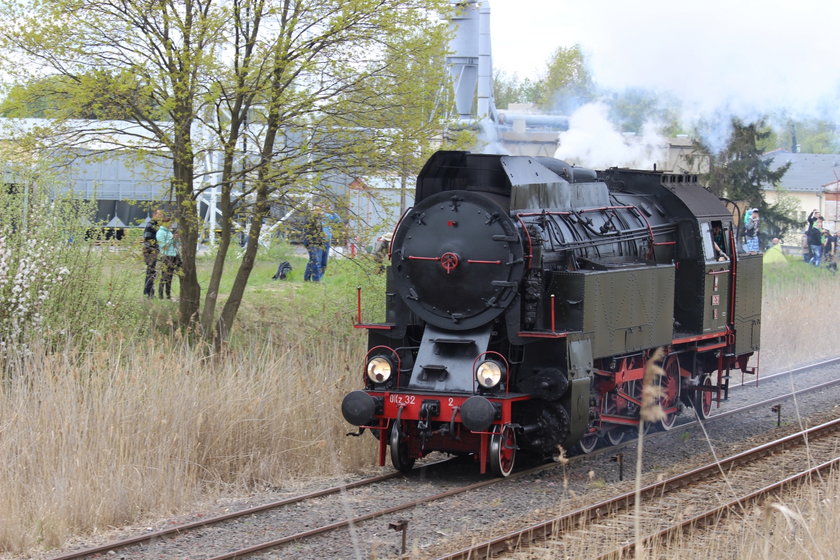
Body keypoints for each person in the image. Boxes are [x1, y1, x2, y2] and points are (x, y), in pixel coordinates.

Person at [156, 213, 179, 299]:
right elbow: (163, 246)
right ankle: (161, 295)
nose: (171, 225)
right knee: (164, 276)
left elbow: (173, 244)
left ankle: (168, 295)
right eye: (170, 223)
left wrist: (176, 239)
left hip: (173, 255)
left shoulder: (169, 232)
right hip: (166, 256)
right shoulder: (160, 233)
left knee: (170, 276)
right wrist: (172, 239)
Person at [302, 208, 326, 282]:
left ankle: (306, 278)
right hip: (311, 242)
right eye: (318, 210)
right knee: (315, 261)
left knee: (312, 261)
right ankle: (316, 280)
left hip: (318, 242)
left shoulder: (318, 220)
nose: (321, 212)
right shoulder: (310, 219)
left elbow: (320, 231)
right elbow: (308, 232)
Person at [318, 206, 342, 278]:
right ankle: (316, 276)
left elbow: (338, 220)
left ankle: (321, 276)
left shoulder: (327, 216)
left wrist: (332, 212)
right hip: (318, 240)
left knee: (324, 260)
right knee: (318, 258)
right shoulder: (316, 217)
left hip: (327, 239)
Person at [142, 210, 161, 298]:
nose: (161, 216)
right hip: (150, 250)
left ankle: (147, 291)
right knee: (151, 271)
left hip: (153, 250)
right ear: (154, 215)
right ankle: (149, 293)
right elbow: (147, 237)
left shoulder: (156, 225)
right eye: (159, 214)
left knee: (151, 271)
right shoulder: (151, 224)